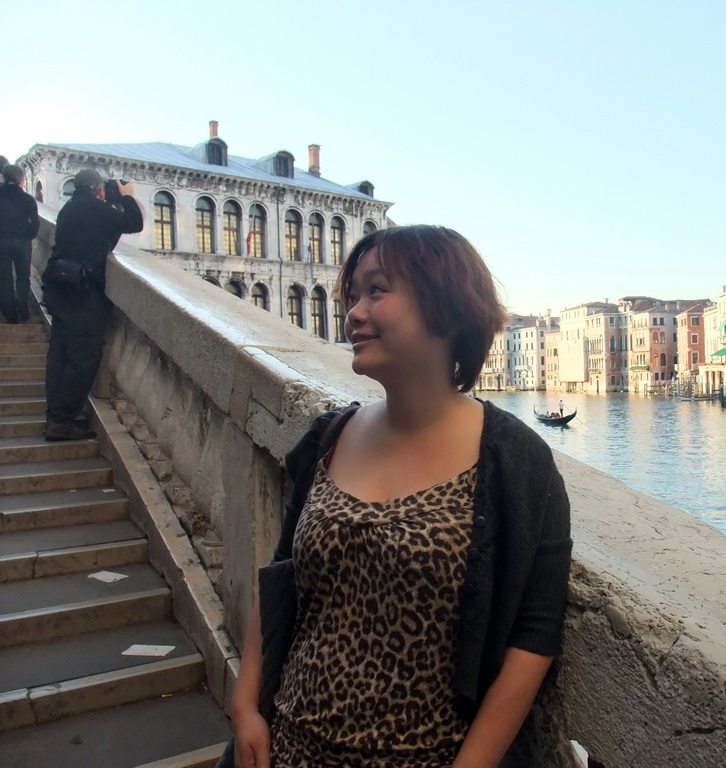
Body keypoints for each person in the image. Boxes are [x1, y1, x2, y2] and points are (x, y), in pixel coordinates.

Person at [228, 225, 572, 768]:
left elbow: (534, 633)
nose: (354, 313)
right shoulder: (328, 437)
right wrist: (247, 705)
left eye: (377, 291)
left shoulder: (515, 460)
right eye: (353, 296)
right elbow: (281, 576)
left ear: (448, 305)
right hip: (289, 747)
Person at [42, 168, 143, 441]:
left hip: (58, 287)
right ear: (99, 190)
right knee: (83, 356)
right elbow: (134, 223)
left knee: (60, 354)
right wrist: (126, 196)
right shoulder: (97, 209)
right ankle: (62, 420)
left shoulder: (69, 208)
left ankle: (56, 414)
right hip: (82, 292)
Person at [0, 164, 40, 323]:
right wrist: (28, 236)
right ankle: (22, 304)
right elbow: (35, 223)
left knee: (4, 278)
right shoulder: (28, 199)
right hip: (22, 242)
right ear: (21, 180)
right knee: (23, 276)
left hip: (1, 241)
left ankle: (10, 313)